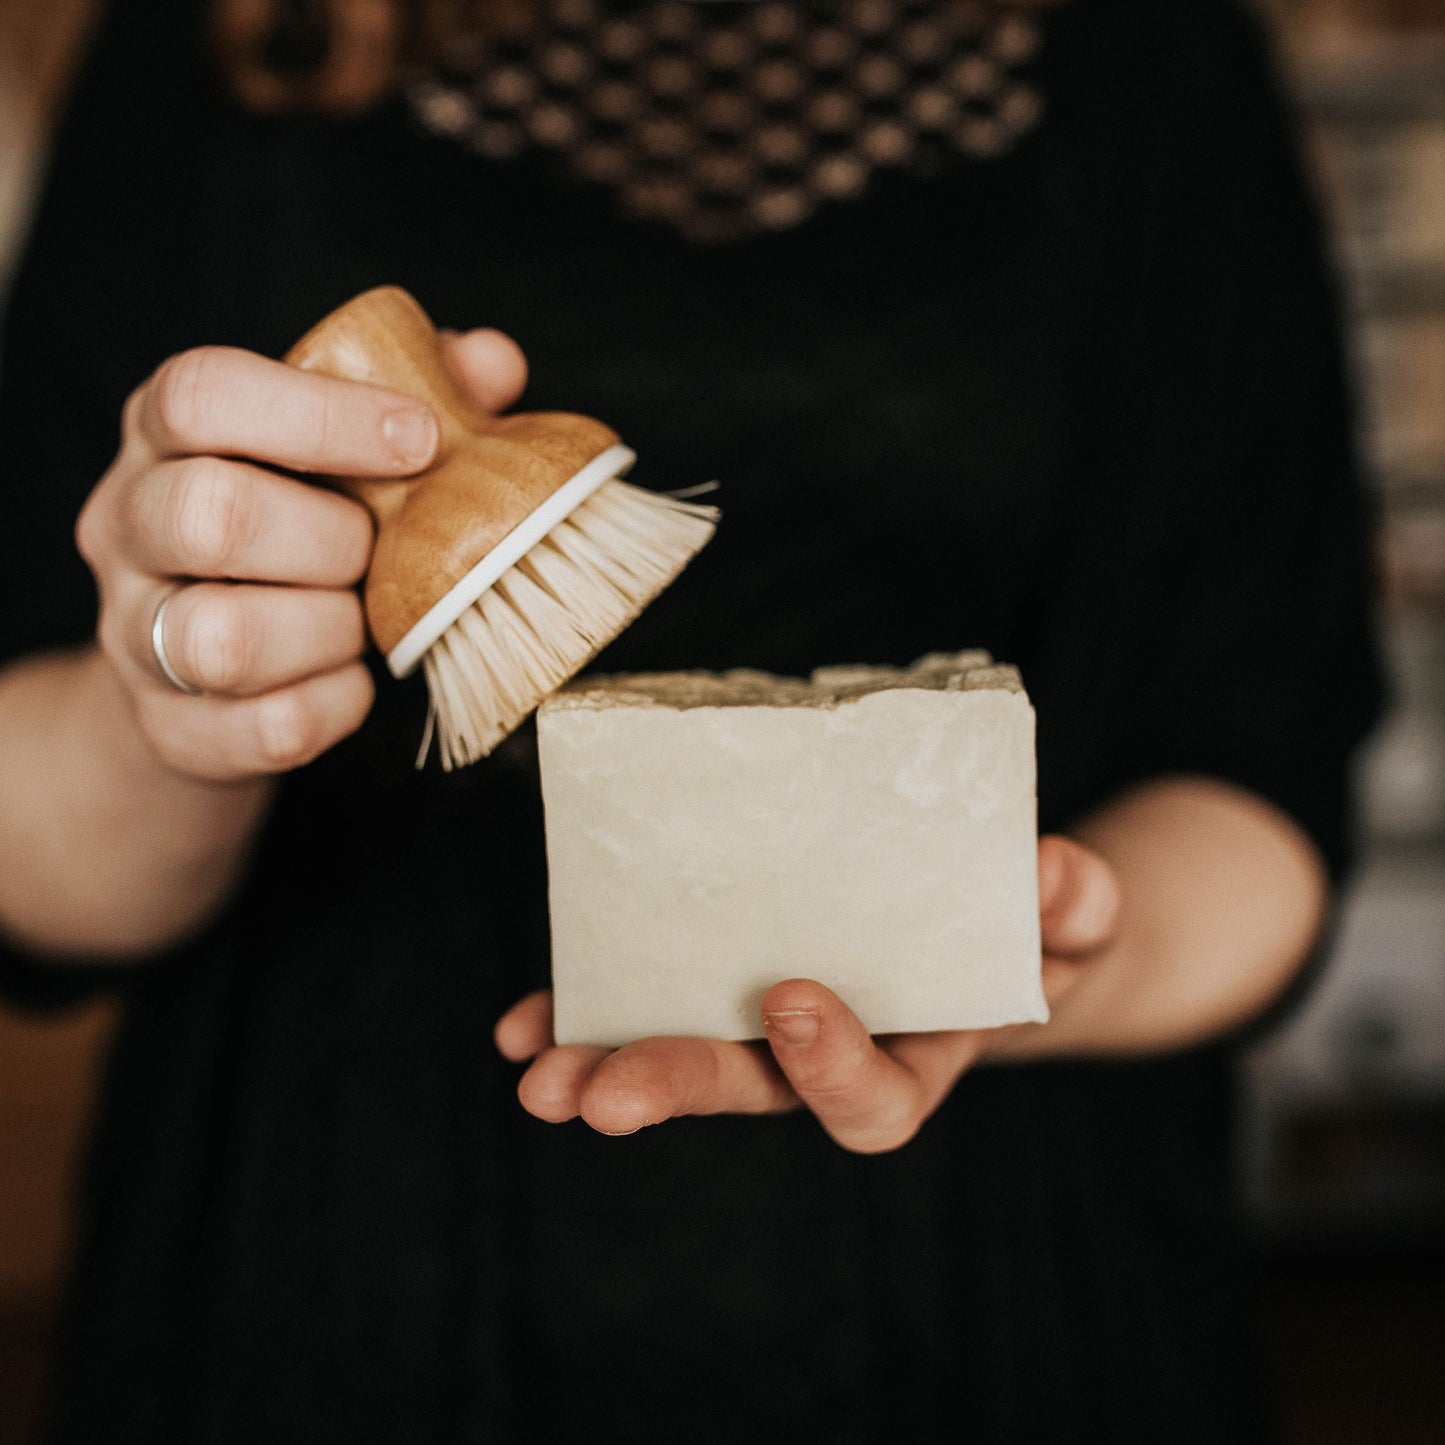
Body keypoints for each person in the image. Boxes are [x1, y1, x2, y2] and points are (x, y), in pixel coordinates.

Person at [0, 0, 1381, 1438]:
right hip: (313, 1280)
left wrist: (1028, 959)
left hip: (1013, 1293)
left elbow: (1262, 773)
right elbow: (30, 853)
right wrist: (176, 699)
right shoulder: (232, 37)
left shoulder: (1154, 55)